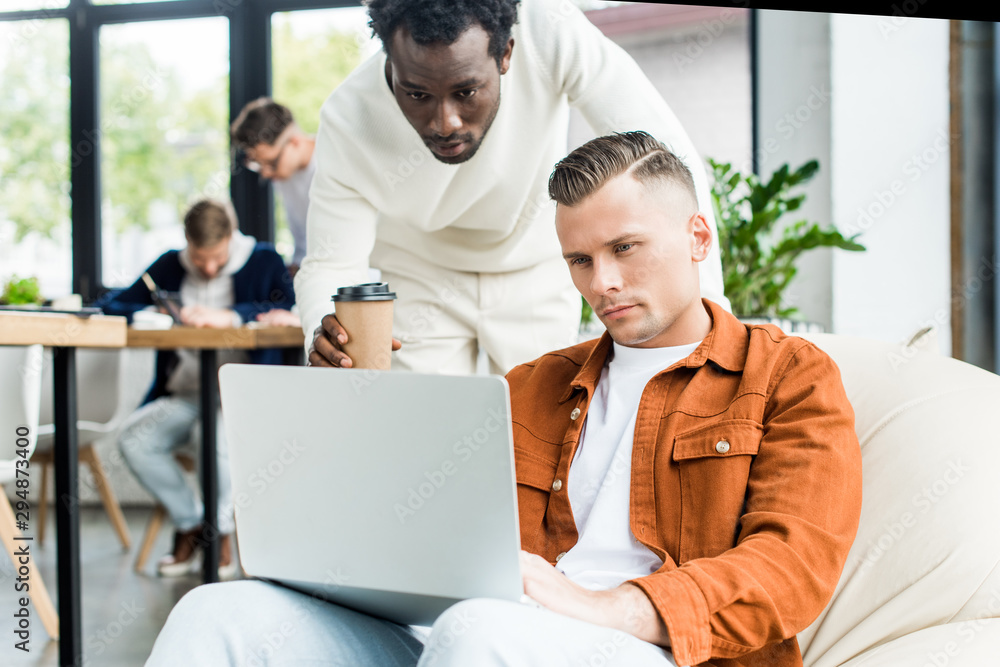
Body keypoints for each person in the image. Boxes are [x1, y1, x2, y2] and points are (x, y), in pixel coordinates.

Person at [143, 132, 862, 666]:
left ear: (697, 236)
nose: (601, 281)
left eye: (626, 248)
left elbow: (790, 567)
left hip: (656, 648)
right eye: (579, 259)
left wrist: (607, 605)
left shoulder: (788, 376)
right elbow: (424, 526)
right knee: (219, 611)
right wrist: (351, 418)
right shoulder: (534, 384)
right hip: (483, 632)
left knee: (476, 630)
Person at [301, 0, 732, 377]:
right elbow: (331, 262)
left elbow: (666, 158)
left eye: (466, 91)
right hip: (421, 273)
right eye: (417, 94)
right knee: (428, 439)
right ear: (390, 64)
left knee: (544, 439)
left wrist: (708, 312)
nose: (445, 122)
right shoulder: (348, 117)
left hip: (533, 264)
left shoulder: (547, 29)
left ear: (506, 54)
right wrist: (324, 333)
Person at [99, 198, 296, 577]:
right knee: (135, 440)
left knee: (218, 438)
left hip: (242, 396)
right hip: (187, 393)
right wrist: (154, 311)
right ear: (186, 242)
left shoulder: (264, 260)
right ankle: (191, 525)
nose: (207, 267)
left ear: (231, 238)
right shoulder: (171, 264)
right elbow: (114, 305)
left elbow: (289, 310)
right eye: (199, 257)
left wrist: (233, 315)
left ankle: (220, 532)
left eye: (217, 257)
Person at [231, 97, 316, 277]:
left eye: (271, 162)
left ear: (294, 142)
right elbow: (302, 240)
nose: (266, 173)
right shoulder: (284, 177)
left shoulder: (333, 166)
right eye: (258, 164)